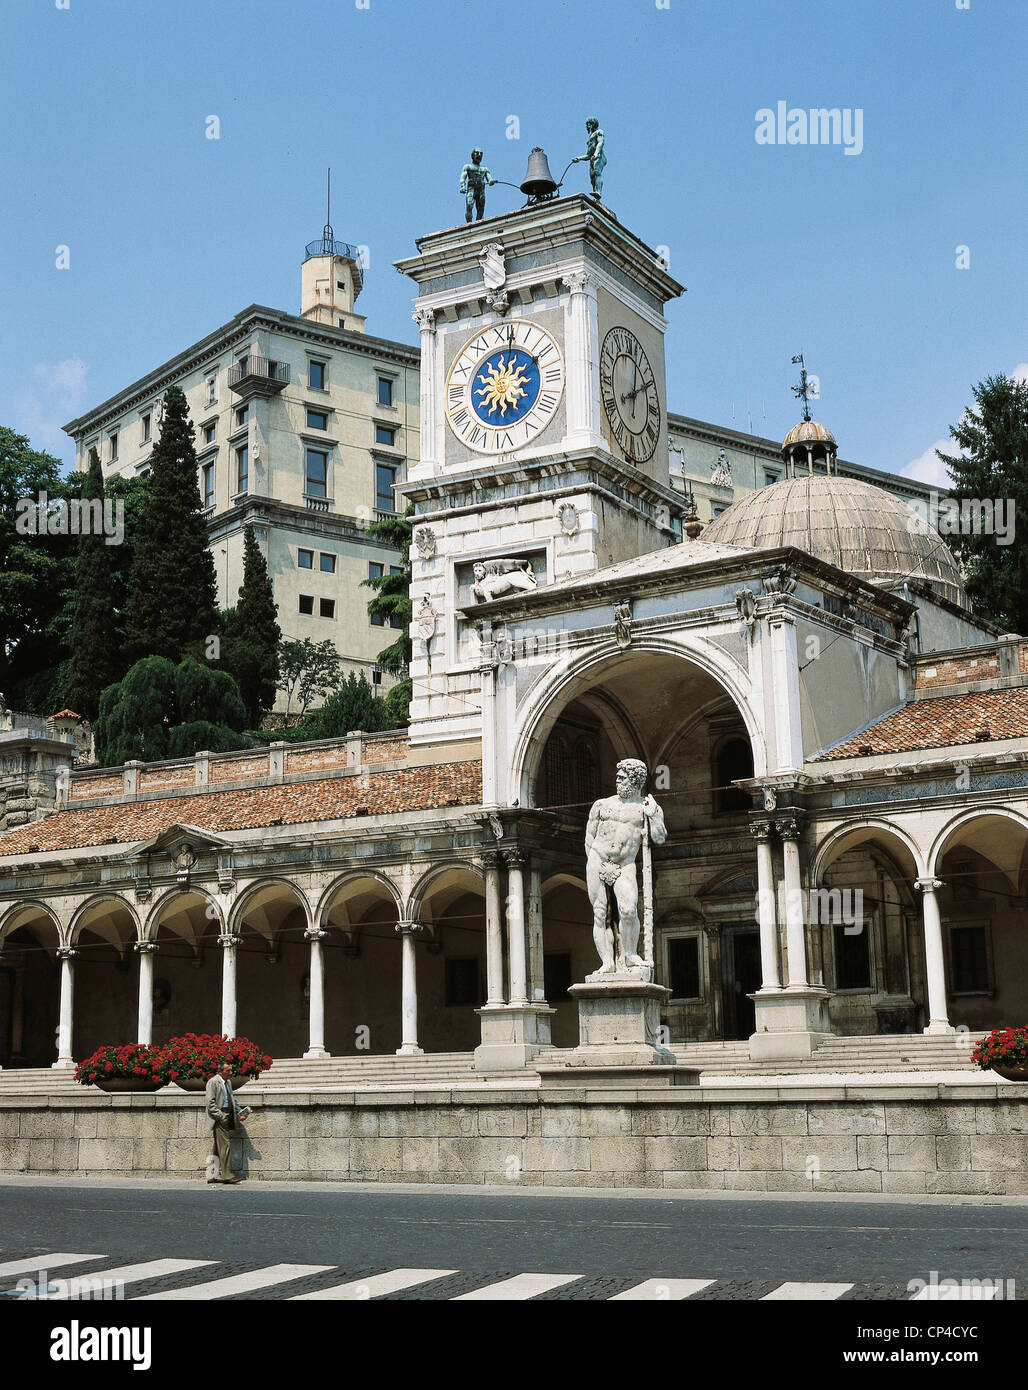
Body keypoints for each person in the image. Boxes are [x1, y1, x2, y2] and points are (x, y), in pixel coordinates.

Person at [584, 759, 666, 973]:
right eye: (618, 777)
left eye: (622, 778)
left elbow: (659, 838)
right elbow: (589, 836)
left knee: (629, 910)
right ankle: (607, 962)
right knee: (600, 913)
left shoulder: (646, 807)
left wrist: (655, 816)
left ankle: (630, 955)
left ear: (635, 781)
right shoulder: (602, 805)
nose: (617, 781)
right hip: (598, 859)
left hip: (625, 863)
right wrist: (594, 862)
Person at [205, 1061, 251, 1184]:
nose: (231, 1073)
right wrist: (221, 1116)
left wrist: (240, 1111)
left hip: (228, 1114)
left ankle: (212, 1175)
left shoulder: (228, 1082)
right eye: (228, 1070)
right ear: (220, 1071)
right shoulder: (213, 1082)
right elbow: (210, 1103)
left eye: (231, 1070)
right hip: (220, 1116)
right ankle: (227, 1175)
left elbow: (231, 1099)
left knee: (218, 1146)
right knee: (225, 1146)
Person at [459, 149, 496, 222]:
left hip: (481, 190)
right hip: (471, 189)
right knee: (469, 206)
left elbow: (489, 178)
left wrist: (491, 181)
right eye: (477, 153)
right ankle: (469, 224)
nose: (479, 155)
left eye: (481, 153)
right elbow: (463, 177)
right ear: (472, 155)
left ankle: (478, 223)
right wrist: (462, 186)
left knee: (481, 209)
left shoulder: (484, 169)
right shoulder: (468, 167)